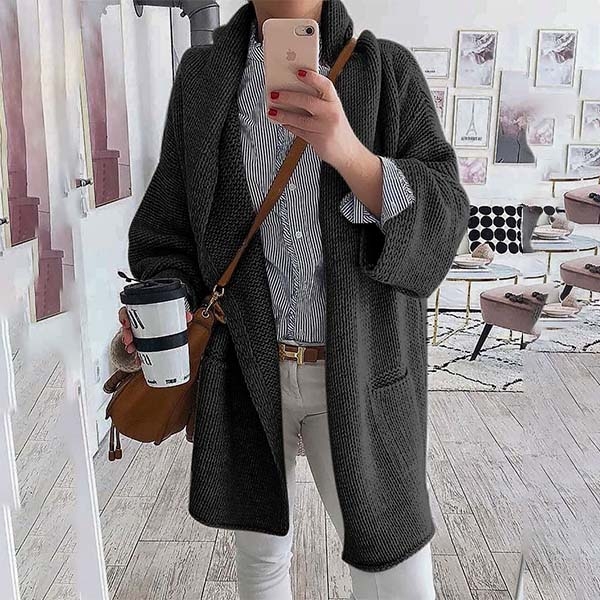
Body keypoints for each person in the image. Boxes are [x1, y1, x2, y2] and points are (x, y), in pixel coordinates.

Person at [116, 1, 470, 598]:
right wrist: (163, 306)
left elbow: (445, 219)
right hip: (246, 370)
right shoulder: (204, 79)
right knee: (260, 565)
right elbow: (167, 232)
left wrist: (347, 151)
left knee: (397, 574)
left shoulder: (387, 73)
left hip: (361, 373)